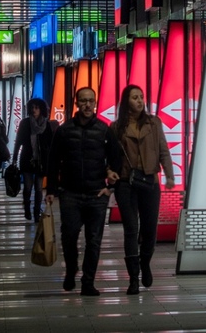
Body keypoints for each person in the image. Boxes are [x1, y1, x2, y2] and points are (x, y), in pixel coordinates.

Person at [46, 86, 120, 297]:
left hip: (97, 193)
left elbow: (116, 161)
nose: (88, 105)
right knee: (69, 237)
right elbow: (53, 161)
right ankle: (71, 269)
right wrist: (51, 189)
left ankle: (88, 281)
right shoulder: (64, 130)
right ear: (76, 103)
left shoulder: (105, 131)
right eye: (84, 101)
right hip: (70, 193)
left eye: (91, 101)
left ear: (95, 103)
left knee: (94, 239)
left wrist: (109, 188)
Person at [111, 84, 175, 295]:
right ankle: (133, 278)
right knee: (131, 229)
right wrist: (109, 172)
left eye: (141, 97)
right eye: (134, 97)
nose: (139, 101)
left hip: (149, 182)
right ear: (126, 102)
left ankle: (145, 260)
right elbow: (109, 156)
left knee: (149, 230)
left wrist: (169, 175)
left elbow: (164, 150)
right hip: (125, 183)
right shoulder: (115, 127)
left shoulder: (154, 123)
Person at [12, 97, 54, 222]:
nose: (34, 110)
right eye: (32, 107)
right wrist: (14, 157)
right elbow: (19, 141)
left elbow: (50, 143)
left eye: (36, 107)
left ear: (41, 109)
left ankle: (36, 212)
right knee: (28, 187)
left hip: (41, 160)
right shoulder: (25, 123)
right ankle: (26, 208)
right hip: (27, 158)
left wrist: (51, 159)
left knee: (39, 188)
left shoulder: (46, 124)